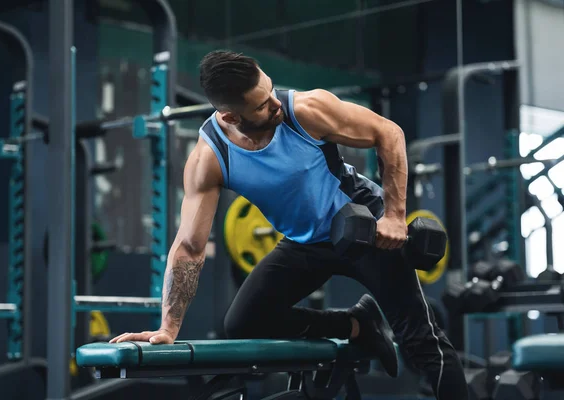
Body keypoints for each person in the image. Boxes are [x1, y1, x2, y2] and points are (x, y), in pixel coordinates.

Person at [110, 50, 468, 399]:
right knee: (243, 323)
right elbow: (189, 246)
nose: (275, 104)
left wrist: (393, 215)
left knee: (422, 341)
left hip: (364, 225)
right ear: (232, 117)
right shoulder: (209, 158)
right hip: (304, 242)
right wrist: (168, 328)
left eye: (270, 90)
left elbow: (388, 133)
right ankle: (357, 325)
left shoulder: (306, 110)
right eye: (262, 105)